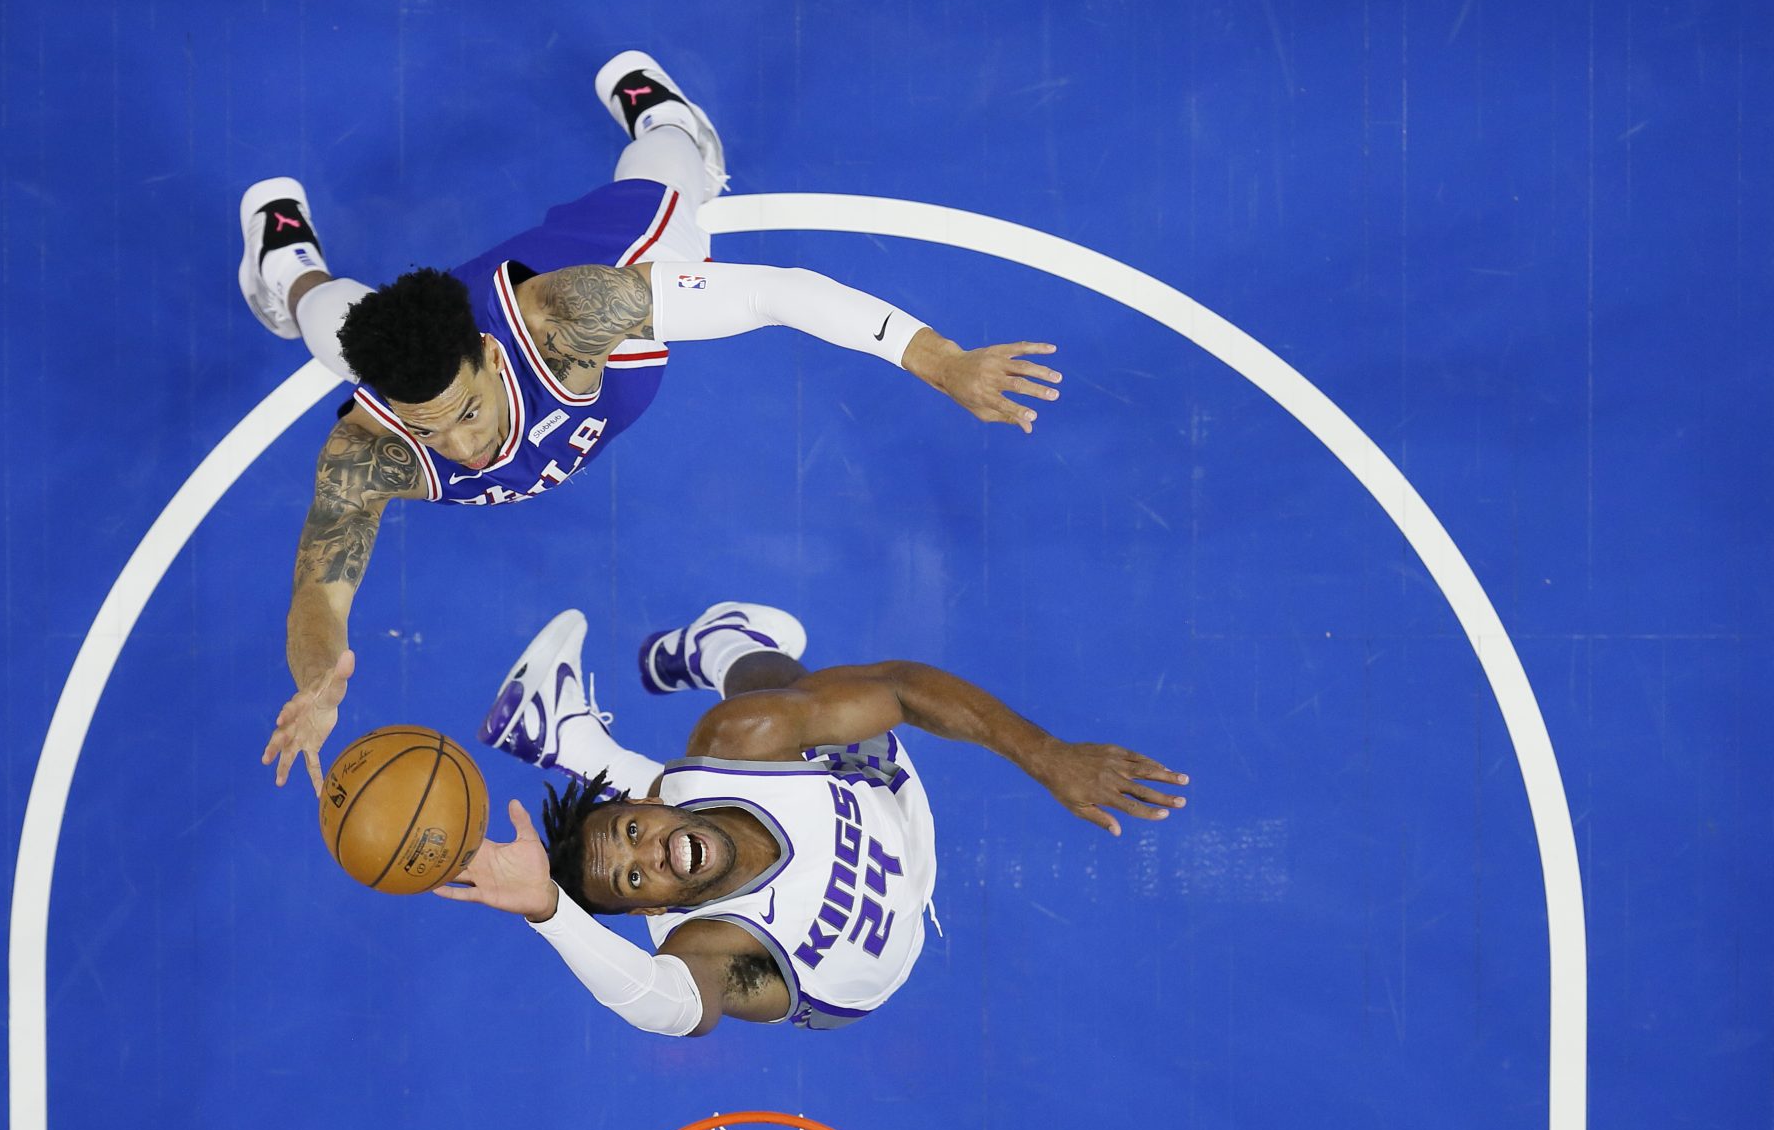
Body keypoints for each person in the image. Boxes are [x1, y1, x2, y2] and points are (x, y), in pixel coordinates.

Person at [243, 52, 1067, 791]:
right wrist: (317, 680)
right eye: (431, 431)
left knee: (668, 188)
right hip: (433, 337)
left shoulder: (570, 319)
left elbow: (776, 292)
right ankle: (289, 267)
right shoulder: (372, 444)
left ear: (494, 361)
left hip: (610, 269)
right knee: (339, 328)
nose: (462, 447)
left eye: (464, 414)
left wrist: (942, 359)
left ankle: (665, 115)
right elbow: (319, 589)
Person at [433, 602, 1188, 1036]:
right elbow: (666, 1006)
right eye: (636, 882)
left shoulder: (727, 749)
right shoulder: (708, 946)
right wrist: (547, 910)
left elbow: (899, 687)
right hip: (864, 980)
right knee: (795, 708)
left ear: (651, 804)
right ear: (656, 913)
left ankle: (576, 723)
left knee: (786, 705)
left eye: (634, 832)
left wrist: (1048, 754)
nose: (654, 858)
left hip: (880, 812)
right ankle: (583, 727)